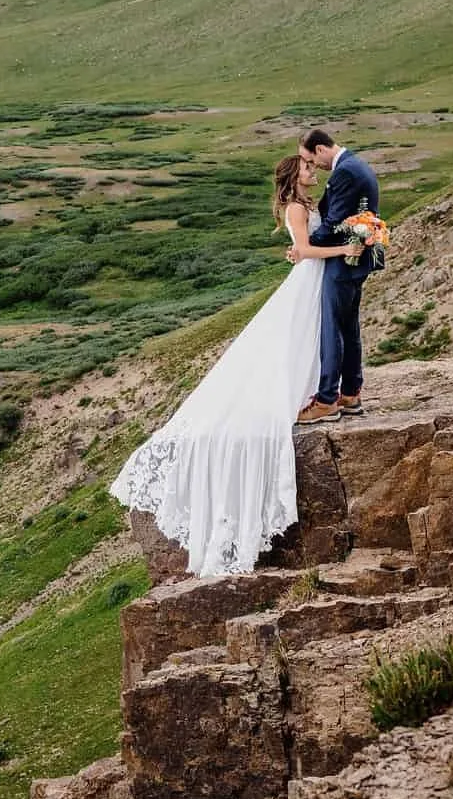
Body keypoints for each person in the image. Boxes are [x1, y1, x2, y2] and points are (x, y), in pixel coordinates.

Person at [108, 153, 364, 576]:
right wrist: (345, 248)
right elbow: (304, 248)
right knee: (300, 340)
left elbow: (300, 248)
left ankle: (315, 392)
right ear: (292, 175)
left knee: (309, 341)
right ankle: (311, 395)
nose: (312, 172)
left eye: (312, 168)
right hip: (310, 279)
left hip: (313, 275)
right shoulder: (298, 206)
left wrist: (323, 246)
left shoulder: (303, 205)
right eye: (306, 169)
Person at [293, 128, 382, 425]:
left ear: (320, 149)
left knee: (332, 328)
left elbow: (332, 223)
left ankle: (328, 399)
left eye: (309, 159)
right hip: (354, 260)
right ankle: (351, 393)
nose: (313, 165)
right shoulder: (356, 164)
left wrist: (304, 248)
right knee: (348, 326)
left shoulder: (344, 172)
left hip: (344, 262)